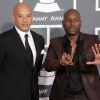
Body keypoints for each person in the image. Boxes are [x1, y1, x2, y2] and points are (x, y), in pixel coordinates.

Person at [44, 9, 100, 100]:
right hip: (63, 95)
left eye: (76, 20)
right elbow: (47, 65)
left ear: (80, 23)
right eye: (68, 20)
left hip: (88, 95)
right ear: (63, 23)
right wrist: (60, 62)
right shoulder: (55, 43)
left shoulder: (93, 40)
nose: (72, 23)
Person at [0, 2, 44, 100]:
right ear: (14, 18)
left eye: (28, 16)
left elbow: (36, 69)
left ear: (32, 17)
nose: (25, 20)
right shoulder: (3, 40)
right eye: (20, 16)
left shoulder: (39, 39)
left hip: (33, 96)